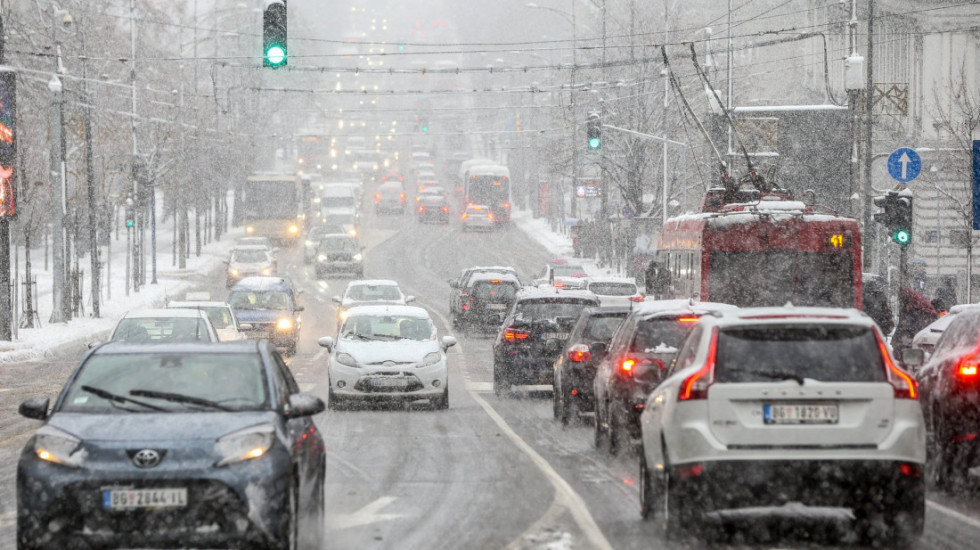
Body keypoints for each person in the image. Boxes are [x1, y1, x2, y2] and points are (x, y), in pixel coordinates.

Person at [893, 287, 938, 353]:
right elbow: (902, 326)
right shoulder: (909, 311)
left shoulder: (917, 312)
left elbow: (912, 327)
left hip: (911, 340)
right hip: (908, 340)